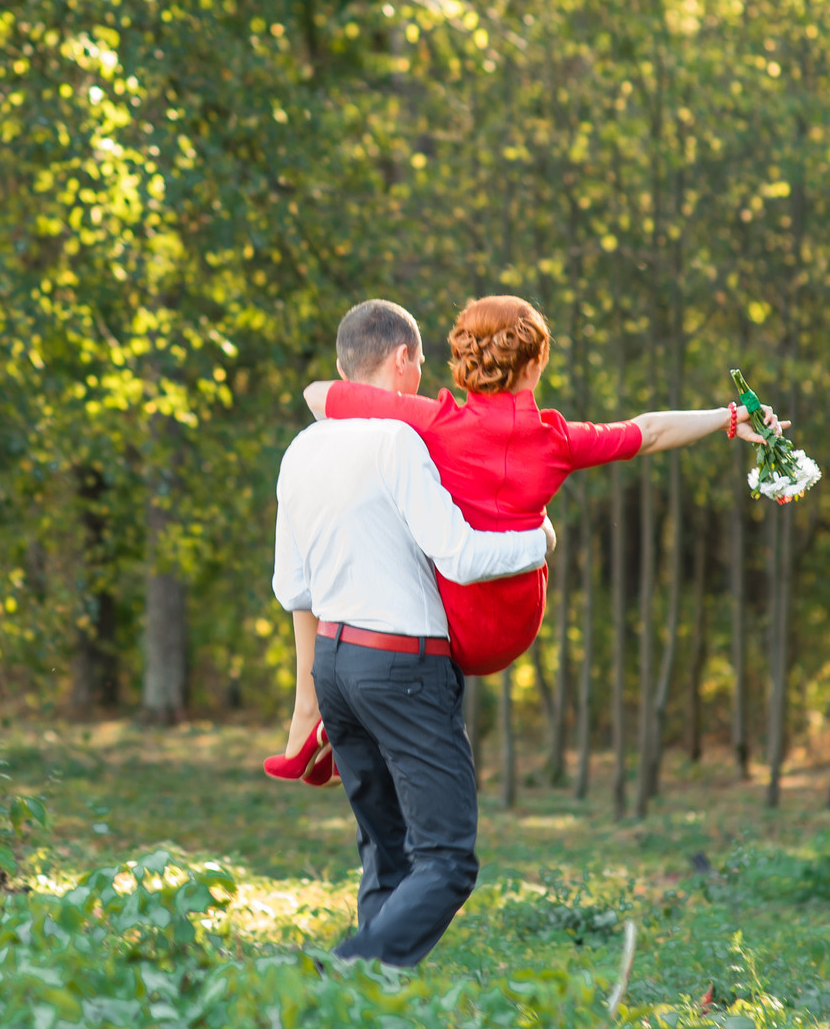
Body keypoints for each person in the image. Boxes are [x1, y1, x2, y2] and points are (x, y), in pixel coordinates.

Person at [266, 294, 784, 786]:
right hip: (511, 625)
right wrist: (728, 418)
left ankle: (319, 713)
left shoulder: (433, 420)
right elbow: (645, 431)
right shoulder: (555, 439)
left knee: (379, 531)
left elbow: (317, 395)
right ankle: (329, 721)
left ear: (466, 362)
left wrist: (389, 400)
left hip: (452, 623)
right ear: (535, 366)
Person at [270, 299, 555, 966]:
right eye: (423, 364)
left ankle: (371, 1009)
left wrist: (306, 699)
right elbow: (458, 553)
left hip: (336, 668)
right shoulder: (401, 441)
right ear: (402, 358)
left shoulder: (302, 447)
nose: (426, 379)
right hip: (403, 664)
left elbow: (294, 585)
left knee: (385, 846)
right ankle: (345, 970)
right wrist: (536, 541)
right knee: (448, 857)